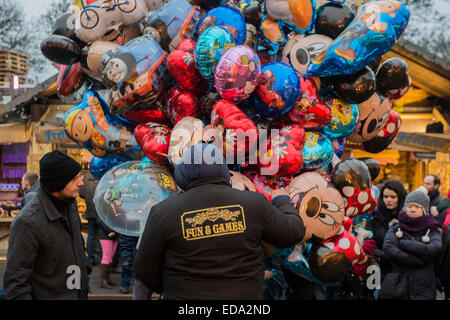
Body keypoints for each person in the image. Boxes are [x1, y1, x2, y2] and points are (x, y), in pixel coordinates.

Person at [134, 143, 306, 300]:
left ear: (182, 174)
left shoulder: (163, 212)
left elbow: (144, 271)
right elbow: (293, 233)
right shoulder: (254, 203)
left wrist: (173, 285)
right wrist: (282, 200)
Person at [3, 150, 90, 300]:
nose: (81, 182)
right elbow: (16, 286)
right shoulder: (27, 222)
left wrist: (84, 267)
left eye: (79, 176)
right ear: (58, 183)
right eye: (74, 179)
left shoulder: (70, 205)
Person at [381, 189, 442, 300]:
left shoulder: (432, 231)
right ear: (405, 208)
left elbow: (435, 248)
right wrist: (418, 260)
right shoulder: (396, 228)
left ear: (424, 210)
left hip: (424, 287)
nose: (413, 209)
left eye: (417, 207)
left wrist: (405, 244)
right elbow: (389, 248)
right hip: (398, 285)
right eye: (409, 206)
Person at [364, 180, 407, 276]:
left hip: (401, 268)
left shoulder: (407, 217)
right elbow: (368, 240)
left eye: (393, 197)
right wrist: (381, 254)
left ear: (400, 197)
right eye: (385, 197)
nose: (388, 200)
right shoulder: (374, 216)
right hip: (378, 267)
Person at [78, 171, 100, 266]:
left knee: (91, 235)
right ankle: (104, 259)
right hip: (100, 213)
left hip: (90, 211)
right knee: (103, 237)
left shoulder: (85, 178)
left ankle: (90, 258)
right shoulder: (101, 178)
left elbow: (81, 193)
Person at [97, 216, 119, 289]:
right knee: (106, 258)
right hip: (105, 235)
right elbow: (99, 220)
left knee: (110, 258)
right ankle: (103, 281)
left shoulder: (116, 206)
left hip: (115, 235)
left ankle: (108, 278)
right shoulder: (103, 206)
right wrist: (109, 231)